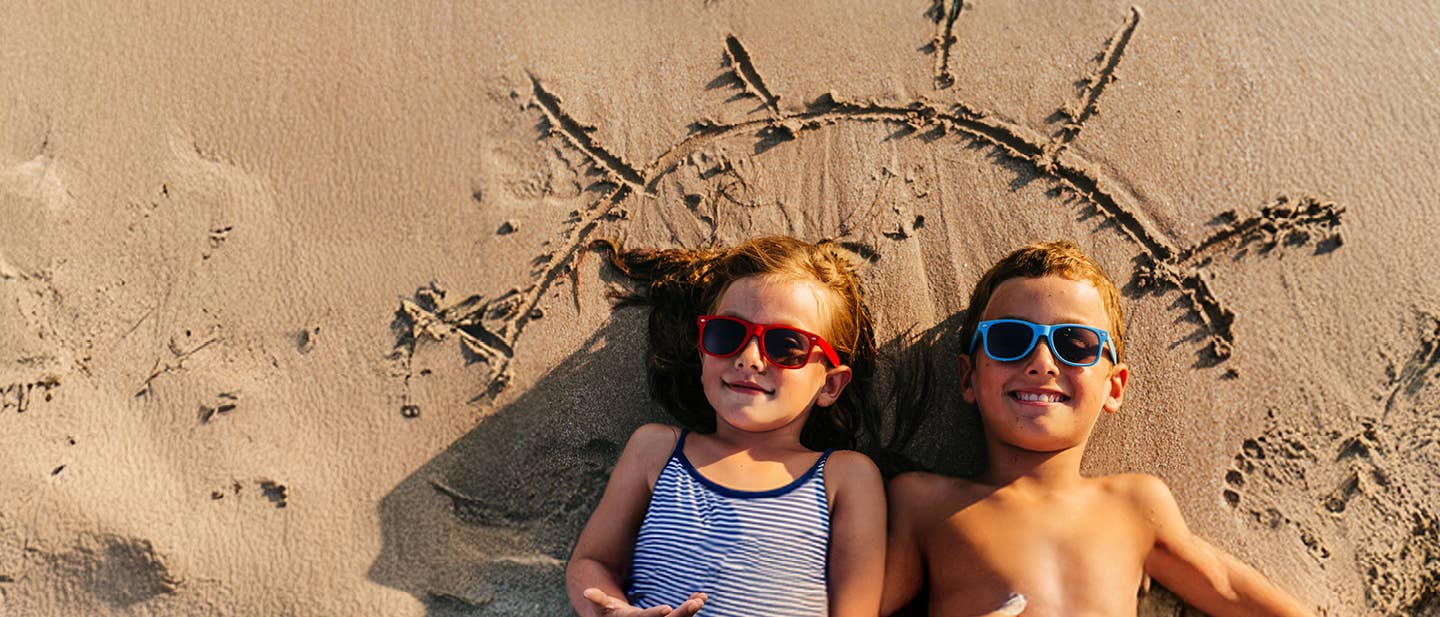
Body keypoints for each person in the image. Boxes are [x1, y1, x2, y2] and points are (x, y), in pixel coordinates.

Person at [881, 241, 1316, 617]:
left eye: (1075, 345)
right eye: (1009, 339)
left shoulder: (1135, 505)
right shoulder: (924, 504)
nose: (1041, 362)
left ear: (1114, 387)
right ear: (967, 377)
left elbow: (1228, 589)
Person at [566, 236, 886, 617]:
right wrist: (612, 610)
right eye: (727, 334)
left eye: (786, 346)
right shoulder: (656, 450)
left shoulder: (844, 477)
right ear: (703, 351)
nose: (749, 359)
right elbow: (592, 562)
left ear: (830, 384)